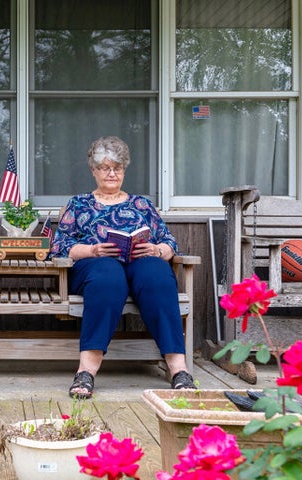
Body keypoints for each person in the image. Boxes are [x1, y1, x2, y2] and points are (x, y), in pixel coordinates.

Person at [49, 135, 196, 398]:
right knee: (109, 274)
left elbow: (168, 241)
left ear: (124, 170)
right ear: (93, 170)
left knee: (158, 274)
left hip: (140, 263)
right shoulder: (79, 204)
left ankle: (178, 369)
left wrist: (157, 250)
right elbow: (59, 246)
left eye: (117, 167)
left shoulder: (141, 204)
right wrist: (92, 250)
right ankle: (86, 371)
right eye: (105, 167)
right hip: (95, 266)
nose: (112, 173)